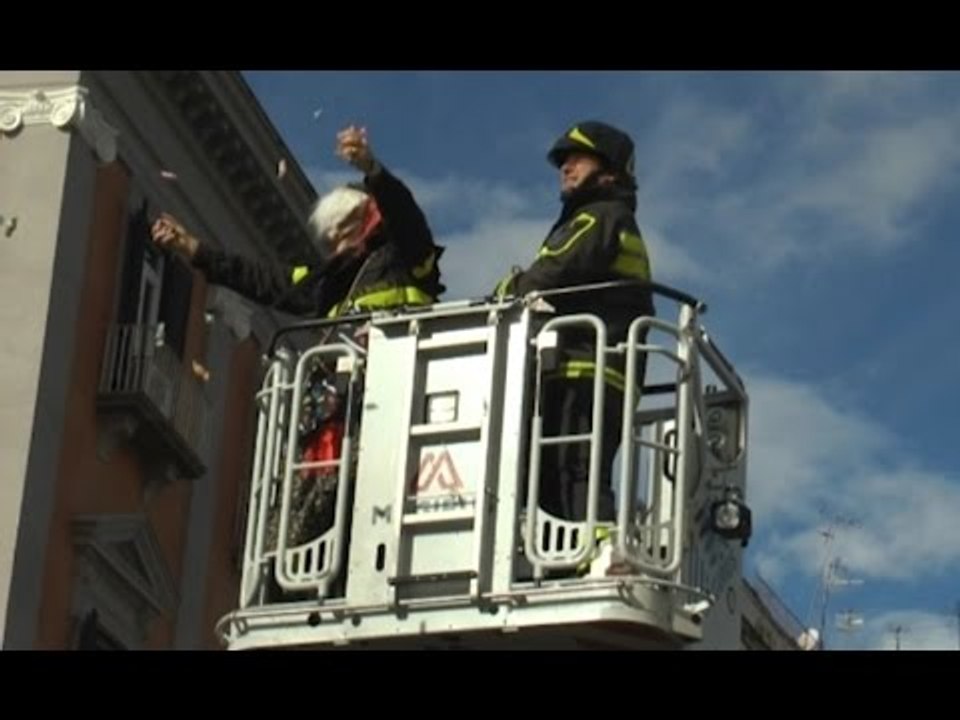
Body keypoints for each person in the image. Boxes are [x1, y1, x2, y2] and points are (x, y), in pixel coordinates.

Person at [151, 126, 444, 590]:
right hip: (333, 416)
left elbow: (405, 214)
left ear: (367, 221)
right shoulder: (330, 281)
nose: (337, 246)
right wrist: (196, 251)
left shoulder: (409, 255)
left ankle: (344, 579)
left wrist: (371, 169)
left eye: (344, 232)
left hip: (390, 411)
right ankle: (301, 585)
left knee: (363, 504)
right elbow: (267, 280)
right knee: (314, 504)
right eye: (330, 239)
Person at [495, 120, 654, 525]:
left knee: (573, 469)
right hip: (596, 366)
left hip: (585, 365)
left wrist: (502, 294)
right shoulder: (601, 217)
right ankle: (565, 557)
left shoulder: (599, 217)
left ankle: (592, 550)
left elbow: (554, 272)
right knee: (562, 472)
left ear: (610, 169)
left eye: (578, 159)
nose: (566, 167)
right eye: (564, 161)